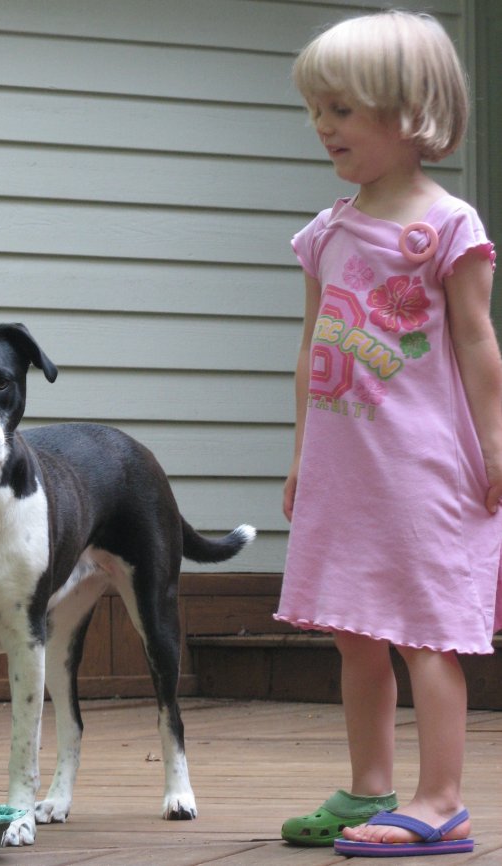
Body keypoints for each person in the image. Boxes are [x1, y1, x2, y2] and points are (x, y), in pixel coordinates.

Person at [275, 9, 501, 858]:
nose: (322, 126)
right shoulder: (325, 233)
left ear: (411, 115)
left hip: (422, 467)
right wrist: (299, 454)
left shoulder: (447, 228)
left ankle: (439, 797)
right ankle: (367, 784)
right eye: (316, 110)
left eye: (341, 108)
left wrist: (496, 444)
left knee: (422, 630)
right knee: (353, 628)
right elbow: (309, 351)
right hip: (344, 466)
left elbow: (477, 342)